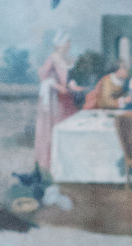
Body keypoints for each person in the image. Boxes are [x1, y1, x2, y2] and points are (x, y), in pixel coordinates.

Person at [35, 32, 80, 170]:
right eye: (67, 42)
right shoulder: (53, 58)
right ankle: (51, 162)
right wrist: (56, 86)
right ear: (60, 44)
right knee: (55, 129)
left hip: (66, 98)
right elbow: (43, 76)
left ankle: (68, 160)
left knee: (69, 127)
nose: (69, 45)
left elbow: (69, 77)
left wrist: (72, 84)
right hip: (54, 100)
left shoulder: (67, 58)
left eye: (69, 42)